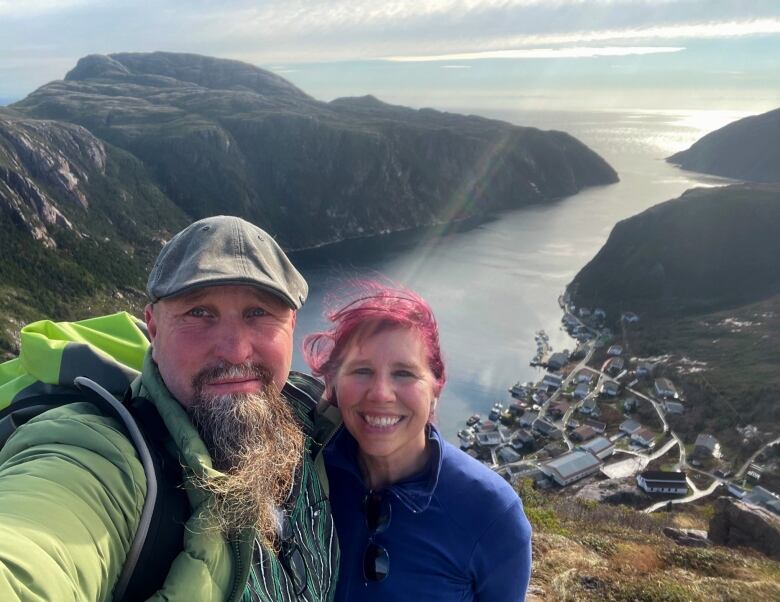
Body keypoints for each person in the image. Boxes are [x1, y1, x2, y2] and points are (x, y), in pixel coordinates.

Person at [0, 216, 339, 601]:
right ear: (154, 328)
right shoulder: (104, 458)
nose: (235, 350)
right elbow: (31, 552)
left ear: (291, 323)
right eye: (199, 313)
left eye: (259, 313)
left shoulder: (313, 423)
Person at [303, 283, 532, 601]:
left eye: (404, 373)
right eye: (362, 370)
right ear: (332, 383)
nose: (381, 393)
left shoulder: (490, 513)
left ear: (435, 389)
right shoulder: (305, 473)